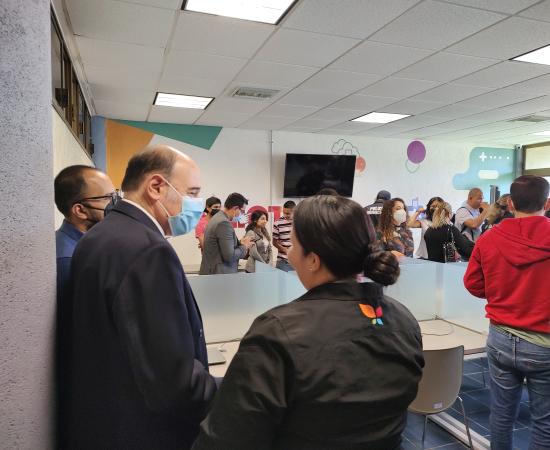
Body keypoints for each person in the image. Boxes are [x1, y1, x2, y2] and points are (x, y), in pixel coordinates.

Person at [192, 195, 424, 450]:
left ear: (313, 259)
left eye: (292, 245)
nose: (289, 255)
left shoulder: (277, 331)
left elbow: (227, 438)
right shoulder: (405, 321)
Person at [61, 145, 217, 450]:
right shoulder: (147, 250)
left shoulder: (102, 235)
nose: (198, 204)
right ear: (157, 186)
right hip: (142, 430)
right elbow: (173, 379)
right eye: (193, 191)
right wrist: (242, 388)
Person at [464, 175, 550, 450]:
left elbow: (473, 283)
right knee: (544, 422)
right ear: (547, 203)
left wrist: (501, 293)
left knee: (501, 415)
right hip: (543, 345)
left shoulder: (489, 238)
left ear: (511, 204)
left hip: (500, 338)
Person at [54, 165, 116, 308]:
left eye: (115, 195)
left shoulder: (88, 246)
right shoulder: (69, 261)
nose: (115, 204)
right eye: (108, 197)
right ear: (80, 211)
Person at [199, 192, 252, 275]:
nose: (242, 214)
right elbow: (229, 256)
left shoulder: (217, 218)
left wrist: (240, 243)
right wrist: (244, 247)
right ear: (235, 208)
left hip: (214, 273)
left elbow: (222, 247)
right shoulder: (223, 223)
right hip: (219, 276)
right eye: (242, 211)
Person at [273, 200, 295, 272]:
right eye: (284, 213)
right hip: (283, 262)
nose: (285, 215)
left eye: (288, 213)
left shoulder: (300, 222)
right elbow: (274, 242)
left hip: (298, 262)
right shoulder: (277, 223)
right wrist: (285, 250)